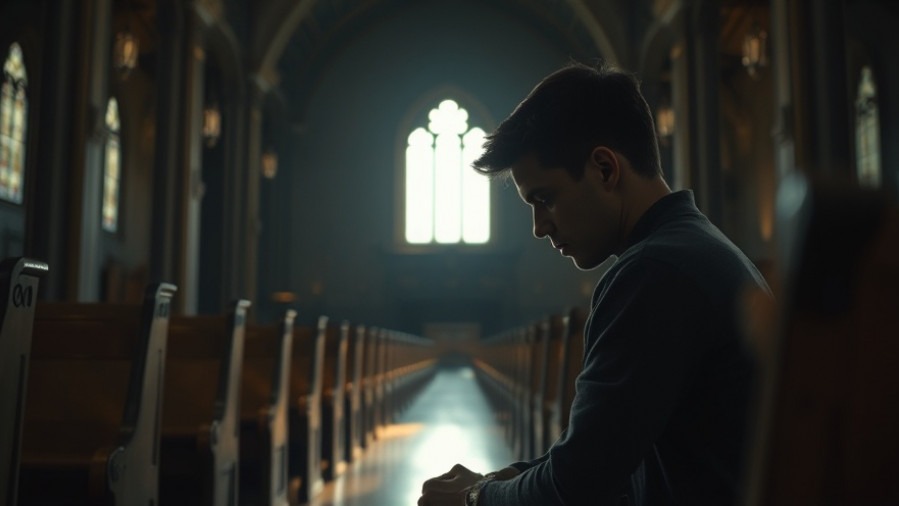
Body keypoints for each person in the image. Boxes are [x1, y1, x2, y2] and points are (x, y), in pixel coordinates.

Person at [417, 60, 772, 505]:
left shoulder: (653, 273)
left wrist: (476, 499)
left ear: (605, 169)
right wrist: (502, 481)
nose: (539, 227)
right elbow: (609, 459)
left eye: (545, 198)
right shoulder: (692, 248)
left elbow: (575, 490)